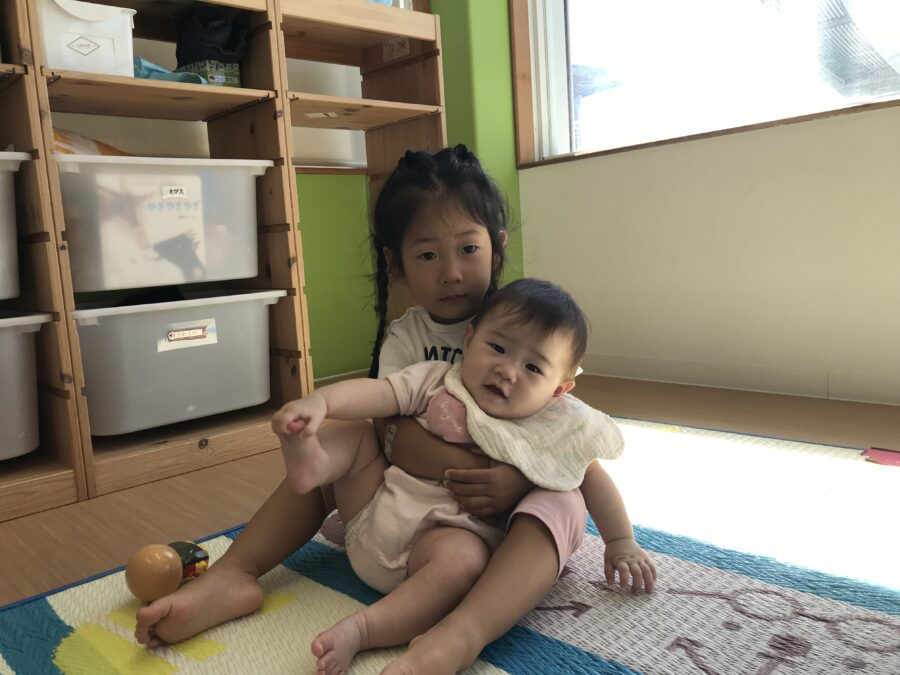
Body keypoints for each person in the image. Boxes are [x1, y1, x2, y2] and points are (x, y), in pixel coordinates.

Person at [134, 145, 645, 674]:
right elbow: (389, 433)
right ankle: (235, 573)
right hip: (383, 513)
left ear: (497, 248)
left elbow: (580, 464)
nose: (451, 272)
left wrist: (577, 513)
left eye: (468, 249)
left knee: (563, 498)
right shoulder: (415, 347)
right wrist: (321, 405)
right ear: (395, 263)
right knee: (349, 437)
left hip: (457, 549)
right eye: (428, 255)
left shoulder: (532, 338)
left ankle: (461, 632)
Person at [273, 278, 655, 675]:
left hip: (439, 560)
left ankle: (367, 630)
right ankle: (315, 467)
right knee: (352, 435)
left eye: (532, 367)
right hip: (370, 521)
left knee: (545, 507)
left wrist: (620, 540)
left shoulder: (554, 425)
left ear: (559, 389)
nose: (507, 371)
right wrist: (320, 402)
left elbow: (591, 474)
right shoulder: (436, 380)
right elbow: (378, 394)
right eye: (498, 348)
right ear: (469, 340)